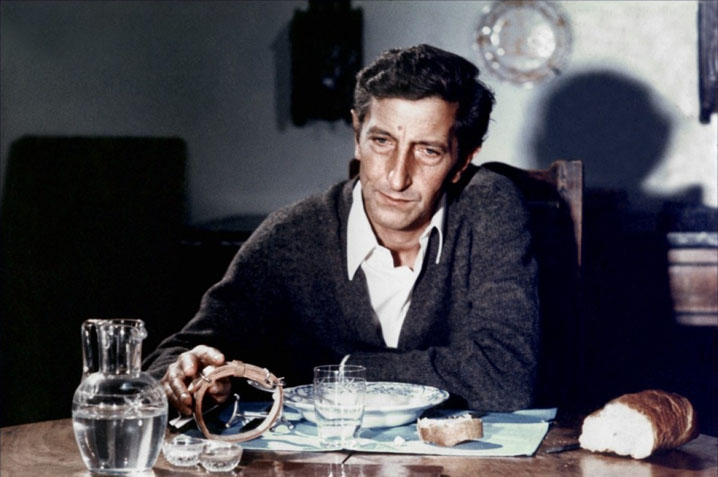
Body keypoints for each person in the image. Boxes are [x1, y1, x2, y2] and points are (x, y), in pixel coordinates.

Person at [144, 44, 539, 417]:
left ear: (462, 162)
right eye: (382, 141)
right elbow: (175, 356)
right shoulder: (293, 235)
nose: (397, 177)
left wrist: (338, 370)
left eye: (428, 151)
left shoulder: (489, 207)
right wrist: (187, 376)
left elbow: (506, 377)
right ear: (357, 136)